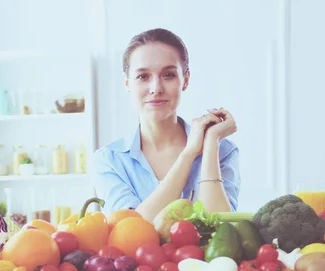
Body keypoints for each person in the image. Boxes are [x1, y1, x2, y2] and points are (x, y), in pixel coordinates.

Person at [93, 28, 241, 222]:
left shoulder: (223, 151)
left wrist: (211, 142)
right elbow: (133, 230)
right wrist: (189, 154)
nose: (156, 89)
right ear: (127, 82)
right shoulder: (109, 160)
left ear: (185, 79)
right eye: (143, 76)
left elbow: (220, 228)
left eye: (168, 75)